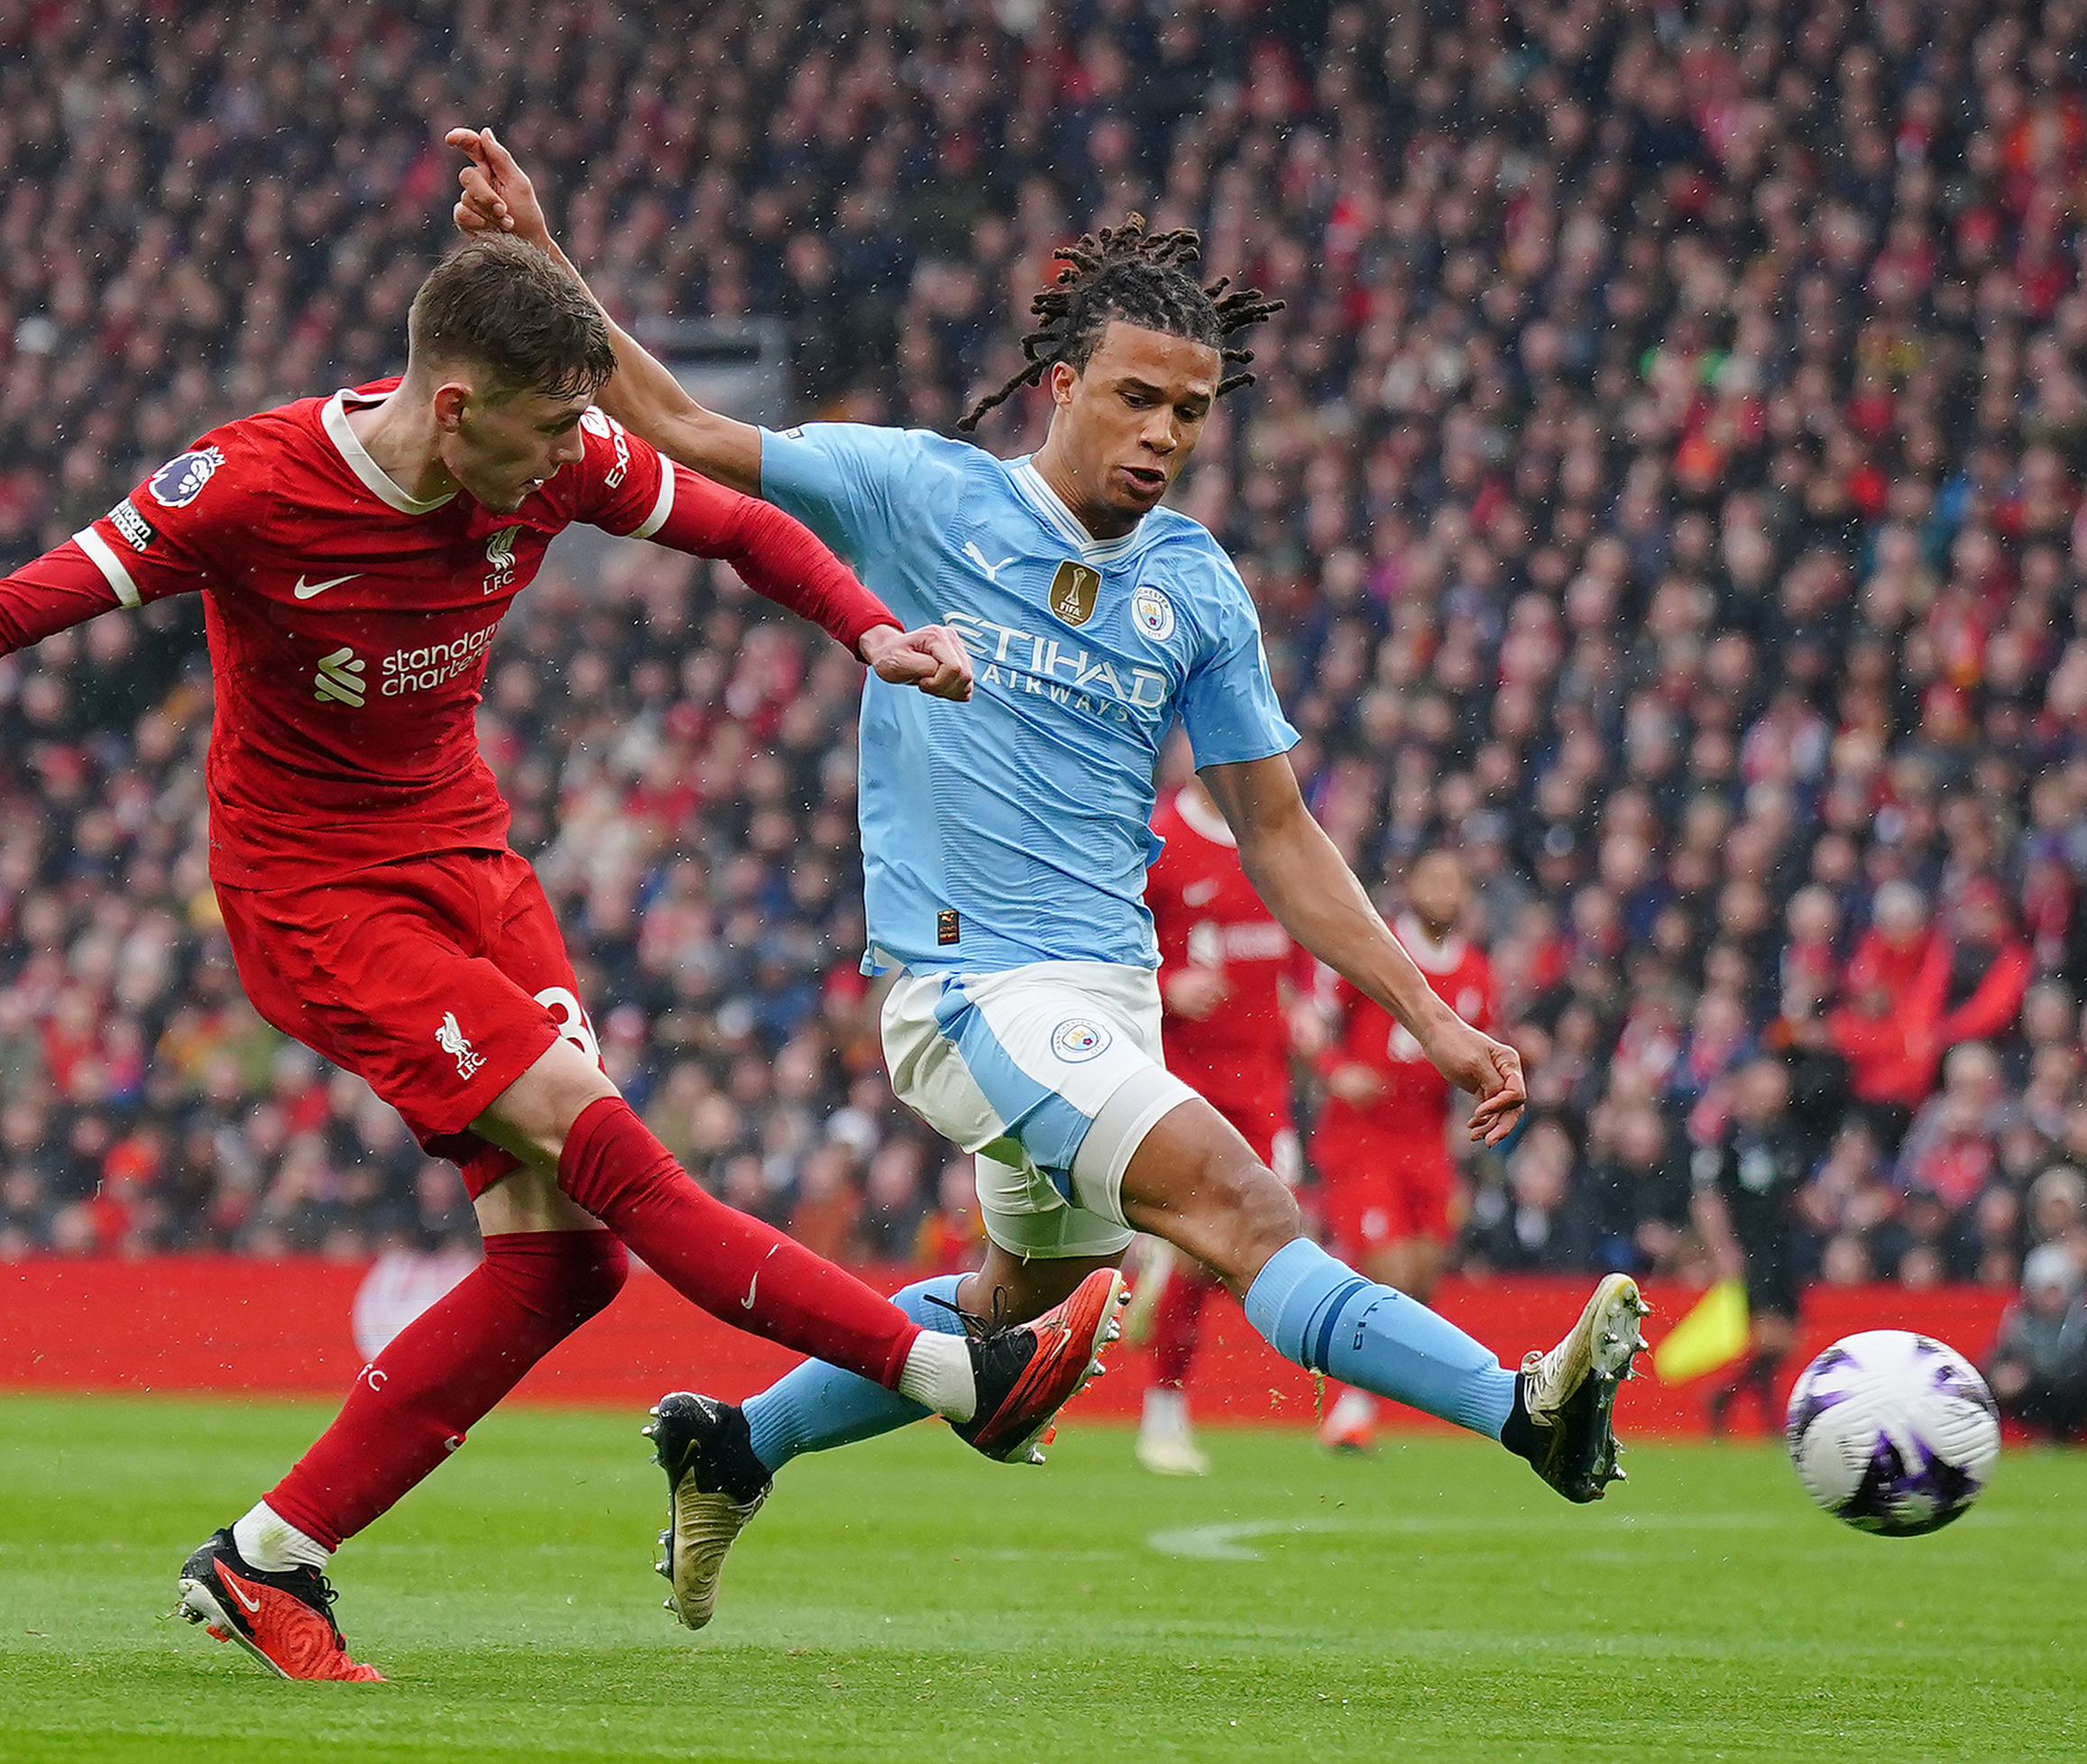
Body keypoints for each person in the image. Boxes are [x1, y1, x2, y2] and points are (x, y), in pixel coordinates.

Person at [0, 236, 1125, 1682]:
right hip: (316, 895)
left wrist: (870, 631)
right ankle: (946, 1373)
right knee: (588, 1132)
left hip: (470, 865)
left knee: (565, 1268)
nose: (573, 464)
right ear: (457, 408)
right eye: (550, 432)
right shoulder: (247, 487)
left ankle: (268, 1554)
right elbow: (13, 608)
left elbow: (740, 526)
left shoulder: (561, 453)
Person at [453, 131, 1650, 1634]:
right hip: (964, 987)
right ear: (1062, 385)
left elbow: (1277, 829)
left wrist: (1425, 1011)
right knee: (1237, 1202)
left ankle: (735, 1443)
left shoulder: (1197, 587)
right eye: (1138, 397)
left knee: (1023, 1306)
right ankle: (1521, 1407)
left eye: (1192, 412)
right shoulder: (916, 493)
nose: (1163, 434)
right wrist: (541, 255)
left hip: (1102, 997)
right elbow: (683, 424)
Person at [1129, 767, 1310, 1475]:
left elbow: (1298, 938)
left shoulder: (1275, 833)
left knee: (1244, 1245)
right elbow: (1110, 950)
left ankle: (1157, 1279)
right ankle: (1161, 1412)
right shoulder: (1159, 842)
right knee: (1207, 1247)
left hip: (1263, 1086)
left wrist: (1306, 1005)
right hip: (1184, 1077)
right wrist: (1168, 985)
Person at [1309, 846, 1497, 1451]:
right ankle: (1349, 1400)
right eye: (1433, 878)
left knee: (1420, 1279)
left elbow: (1475, 1052)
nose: (1444, 891)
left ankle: (1355, 1402)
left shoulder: (1476, 973)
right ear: (1409, 887)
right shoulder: (1376, 949)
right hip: (1362, 1137)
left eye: (1454, 881)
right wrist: (1336, 1070)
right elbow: (1315, 1020)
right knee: (1387, 1269)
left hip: (1426, 1142)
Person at [1687, 1026, 1850, 1436]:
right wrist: (1722, 1248)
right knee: (1769, 1338)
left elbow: (1794, 1191)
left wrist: (1822, 1214)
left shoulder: (1788, 1135)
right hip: (1751, 1247)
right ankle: (1766, 1414)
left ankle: (1727, 1397)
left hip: (1785, 1248)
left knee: (1786, 1342)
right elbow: (1708, 1197)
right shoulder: (1729, 1138)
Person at [1985, 1245, 2087, 1443]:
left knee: (2070, 1392)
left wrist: (2028, 1377)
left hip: (2071, 1399)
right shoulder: (2020, 1317)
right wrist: (1999, 1373)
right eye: (2044, 1290)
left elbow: (2080, 1371)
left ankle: (2062, 1436)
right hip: (2032, 1393)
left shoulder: (2083, 1319)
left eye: (2055, 1290)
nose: (2050, 1299)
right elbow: (2000, 1353)